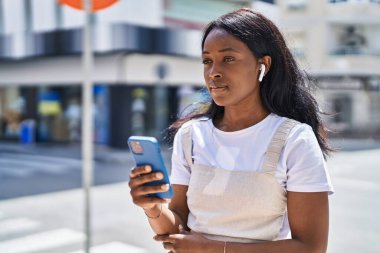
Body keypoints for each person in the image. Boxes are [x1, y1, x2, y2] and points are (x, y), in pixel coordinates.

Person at [129, 8, 334, 253]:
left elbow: (311, 247)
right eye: (207, 61)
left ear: (263, 65)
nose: (213, 72)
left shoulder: (294, 139)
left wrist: (213, 249)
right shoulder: (191, 136)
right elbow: (177, 230)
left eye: (228, 59)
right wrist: (152, 208)